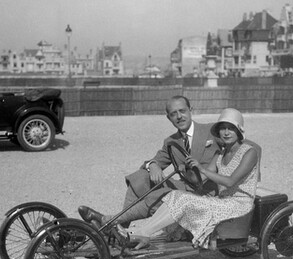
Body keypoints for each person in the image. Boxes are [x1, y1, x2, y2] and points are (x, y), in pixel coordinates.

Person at [119, 107, 259, 250]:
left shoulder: (249, 152)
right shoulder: (221, 154)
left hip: (239, 205)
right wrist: (186, 169)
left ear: (239, 130)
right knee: (175, 195)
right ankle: (143, 231)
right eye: (223, 129)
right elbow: (201, 179)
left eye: (231, 128)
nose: (226, 132)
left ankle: (143, 232)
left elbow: (230, 181)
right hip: (222, 201)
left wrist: (202, 168)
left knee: (184, 200)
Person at [78, 95, 219, 229]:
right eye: (173, 114)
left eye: (182, 111)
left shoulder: (211, 130)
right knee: (140, 177)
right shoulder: (171, 141)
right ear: (168, 118)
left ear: (191, 110)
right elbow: (154, 160)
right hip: (185, 188)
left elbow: (234, 144)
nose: (179, 117)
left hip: (207, 192)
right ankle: (119, 227)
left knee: (158, 196)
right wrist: (153, 165)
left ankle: (110, 222)